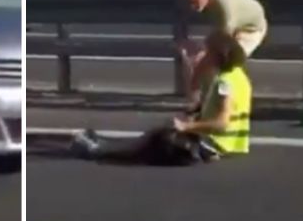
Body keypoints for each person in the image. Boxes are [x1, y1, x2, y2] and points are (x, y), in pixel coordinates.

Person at [72, 32, 252, 164]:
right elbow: (209, 104)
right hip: (229, 144)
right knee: (159, 134)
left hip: (215, 144)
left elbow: (222, 122)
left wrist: (187, 126)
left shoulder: (224, 83)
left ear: (216, 55)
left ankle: (98, 149)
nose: (203, 54)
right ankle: (102, 144)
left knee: (157, 140)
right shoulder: (238, 76)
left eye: (207, 51)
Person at [179, 0, 267, 110]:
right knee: (205, 62)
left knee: (222, 64)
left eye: (195, 1)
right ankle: (204, 103)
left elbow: (221, 46)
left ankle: (224, 106)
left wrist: (199, 66)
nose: (193, 7)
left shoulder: (224, 5)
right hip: (229, 25)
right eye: (190, 2)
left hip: (250, 29)